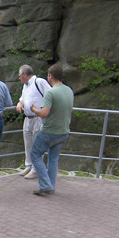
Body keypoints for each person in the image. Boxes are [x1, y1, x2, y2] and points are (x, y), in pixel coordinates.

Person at [29, 63, 74, 196]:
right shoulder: (69, 91)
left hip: (49, 131)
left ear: (50, 76)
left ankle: (45, 185)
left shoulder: (51, 93)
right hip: (63, 131)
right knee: (53, 159)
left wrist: (34, 110)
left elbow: (44, 113)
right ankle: (50, 186)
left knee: (35, 154)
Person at [15, 65, 52, 180]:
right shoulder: (25, 86)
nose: (19, 78)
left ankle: (36, 169)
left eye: (20, 76)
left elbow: (51, 95)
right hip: (28, 118)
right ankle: (29, 165)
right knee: (28, 143)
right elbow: (23, 98)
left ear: (24, 74)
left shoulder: (39, 82)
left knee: (37, 144)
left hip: (38, 117)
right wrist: (20, 103)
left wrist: (44, 110)